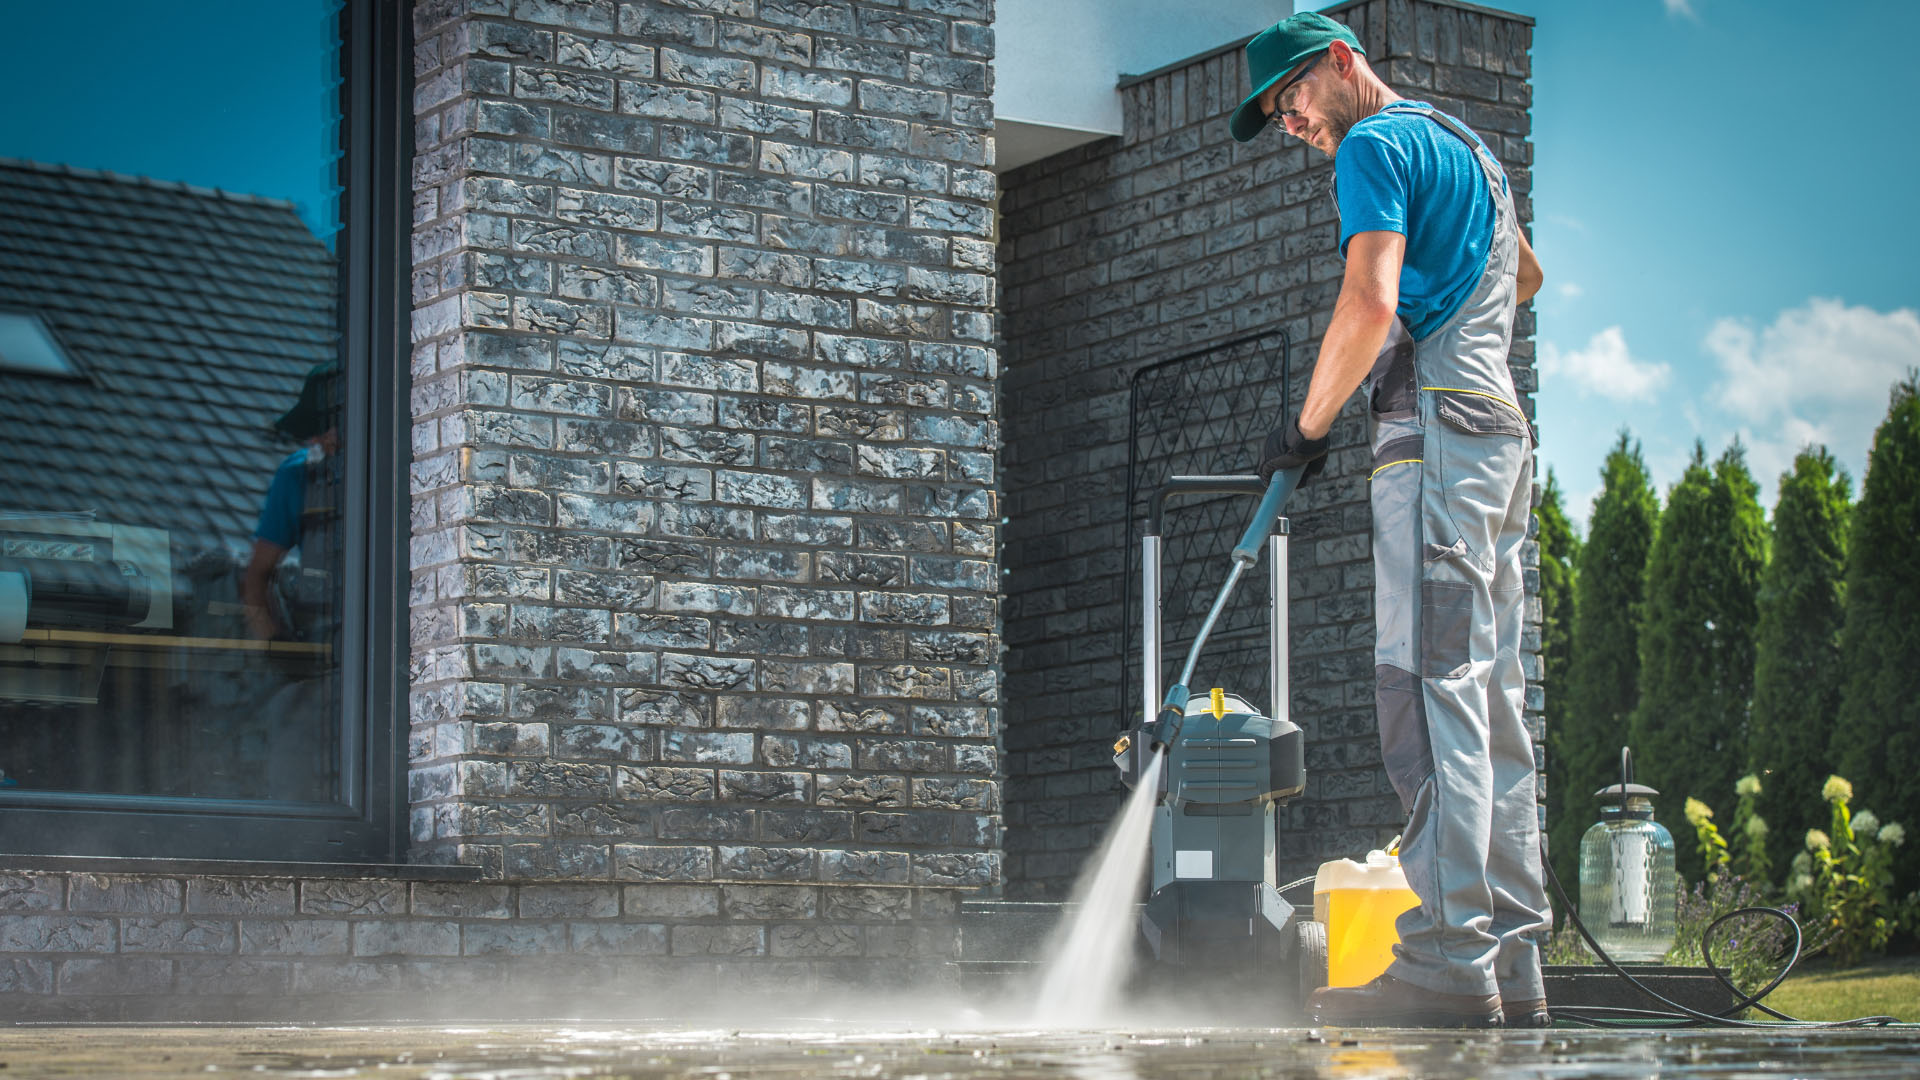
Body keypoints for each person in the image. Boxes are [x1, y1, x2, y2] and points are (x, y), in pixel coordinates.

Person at [1230, 13, 1550, 1028]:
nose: (1293, 123)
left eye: (1293, 97)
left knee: (1428, 687)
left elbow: (1367, 305)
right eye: (1280, 115)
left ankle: (1450, 959)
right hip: (1497, 430)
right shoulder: (1472, 152)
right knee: (1490, 698)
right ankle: (1514, 959)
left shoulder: (1373, 143)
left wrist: (1306, 426)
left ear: (1340, 61)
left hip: (1440, 442)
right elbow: (1527, 279)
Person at [243, 362, 338, 641]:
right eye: (314, 430)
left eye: (325, 428)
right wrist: (275, 645)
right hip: (322, 646)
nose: (317, 439)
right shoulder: (297, 476)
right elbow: (256, 578)